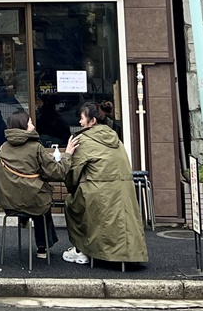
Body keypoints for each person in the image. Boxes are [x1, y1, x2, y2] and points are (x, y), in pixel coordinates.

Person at [57, 101, 148, 266]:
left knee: (72, 204)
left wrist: (67, 155)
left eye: (82, 118)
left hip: (97, 193)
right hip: (123, 193)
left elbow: (72, 174)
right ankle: (126, 255)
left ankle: (81, 250)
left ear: (92, 121)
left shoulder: (83, 140)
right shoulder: (115, 138)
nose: (79, 122)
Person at [0, 110, 64, 259]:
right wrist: (69, 155)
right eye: (30, 122)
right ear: (23, 126)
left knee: (26, 194)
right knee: (41, 206)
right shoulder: (36, 147)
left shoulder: (3, 148)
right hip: (33, 201)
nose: (33, 124)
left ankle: (24, 219)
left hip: (8, 202)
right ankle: (42, 247)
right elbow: (55, 173)